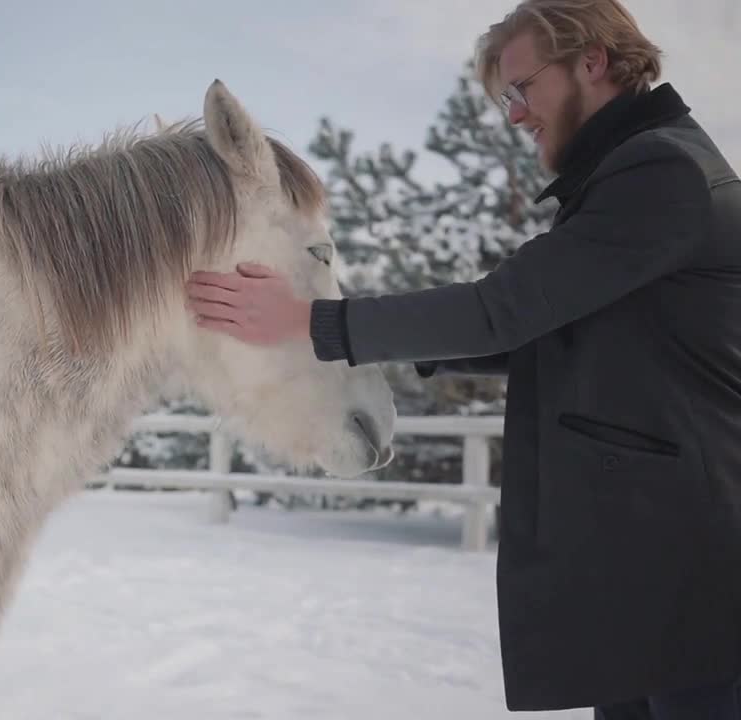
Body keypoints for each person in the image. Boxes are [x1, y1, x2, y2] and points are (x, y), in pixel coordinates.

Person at [186, 0, 741, 717]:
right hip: (653, 575)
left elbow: (499, 310)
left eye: (520, 88)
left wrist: (306, 321)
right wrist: (384, 342)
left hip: (698, 568)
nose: (514, 114)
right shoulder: (640, 172)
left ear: (593, 62)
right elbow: (538, 335)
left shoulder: (661, 173)